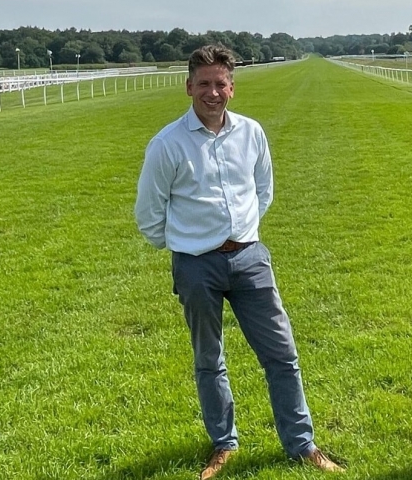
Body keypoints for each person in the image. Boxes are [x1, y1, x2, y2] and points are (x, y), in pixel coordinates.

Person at [135, 45, 343, 479]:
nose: (213, 92)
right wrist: (186, 246)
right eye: (204, 83)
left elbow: (262, 191)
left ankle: (302, 445)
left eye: (221, 83)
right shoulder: (167, 144)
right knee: (209, 359)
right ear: (189, 86)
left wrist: (240, 235)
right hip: (196, 266)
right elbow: (149, 213)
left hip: (250, 259)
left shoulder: (251, 132)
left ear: (232, 86)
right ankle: (223, 444)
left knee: (282, 355)